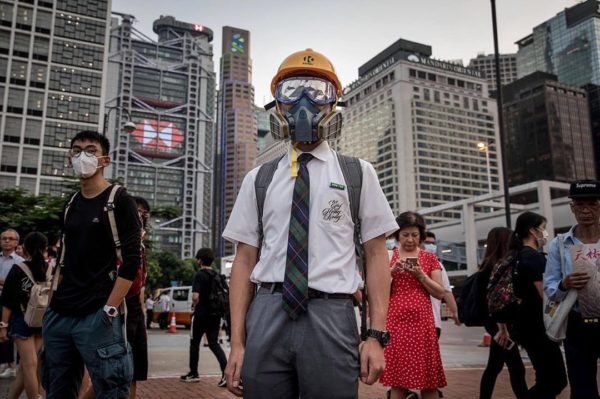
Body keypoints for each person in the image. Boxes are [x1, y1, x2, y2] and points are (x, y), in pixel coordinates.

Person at [223, 48, 398, 399]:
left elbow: (378, 257)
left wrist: (376, 336)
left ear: (333, 104)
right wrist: (238, 345)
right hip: (268, 309)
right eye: (292, 91)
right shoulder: (258, 179)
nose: (305, 102)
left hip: (331, 312)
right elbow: (243, 262)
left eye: (318, 92)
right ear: (277, 104)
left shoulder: (358, 174)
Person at [42, 130, 142, 399]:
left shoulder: (120, 200)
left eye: (90, 150)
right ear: (69, 158)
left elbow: (132, 262)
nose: (81, 156)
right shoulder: (71, 203)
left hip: (97, 313)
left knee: (111, 389)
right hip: (60, 313)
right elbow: (64, 258)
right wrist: (52, 303)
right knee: (56, 388)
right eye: (76, 150)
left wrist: (109, 310)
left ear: (104, 160)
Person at [381, 211, 446, 399]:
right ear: (397, 235)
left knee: (429, 381)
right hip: (396, 323)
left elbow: (440, 292)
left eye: (415, 235)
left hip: (423, 323)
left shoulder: (429, 258)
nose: (410, 239)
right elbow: (377, 289)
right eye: (405, 234)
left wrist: (420, 275)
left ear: (421, 236)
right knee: (398, 381)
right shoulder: (388, 257)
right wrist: (391, 272)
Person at [545, 180, 600, 399]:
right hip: (578, 323)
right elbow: (550, 289)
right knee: (582, 387)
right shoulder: (560, 244)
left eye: (593, 204)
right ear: (572, 208)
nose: (586, 210)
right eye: (579, 205)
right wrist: (564, 284)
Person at [511, 211, 567, 398]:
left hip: (525, 324)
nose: (545, 233)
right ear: (533, 231)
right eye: (543, 228)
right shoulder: (533, 257)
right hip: (537, 325)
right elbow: (546, 295)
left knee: (546, 378)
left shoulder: (517, 255)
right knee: (555, 379)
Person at [477, 227, 528, 399]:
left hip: (495, 324)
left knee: (495, 367)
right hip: (501, 326)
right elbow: (496, 300)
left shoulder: (485, 267)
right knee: (516, 368)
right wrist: (502, 328)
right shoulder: (500, 268)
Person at [0, 232, 48, 399]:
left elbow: (7, 301)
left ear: (24, 248)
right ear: (45, 249)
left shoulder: (18, 269)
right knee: (28, 366)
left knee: (28, 365)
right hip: (43, 321)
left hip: (22, 321)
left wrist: (3, 326)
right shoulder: (49, 270)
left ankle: (35, 397)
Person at [180, 248, 228, 387]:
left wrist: (195, 305)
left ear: (200, 260)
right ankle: (225, 374)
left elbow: (195, 296)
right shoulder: (217, 275)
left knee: (194, 343)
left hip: (201, 314)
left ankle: (193, 373)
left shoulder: (200, 275)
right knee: (214, 344)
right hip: (215, 315)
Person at [423, 231, 460, 333]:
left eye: (433, 243)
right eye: (427, 242)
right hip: (407, 322)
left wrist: (455, 312)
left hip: (432, 322)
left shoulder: (437, 265)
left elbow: (446, 291)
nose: (430, 246)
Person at [0, 228, 23, 378]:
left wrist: (4, 283)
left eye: (10, 238)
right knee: (2, 333)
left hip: (13, 302)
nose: (7, 241)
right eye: (4, 238)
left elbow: (17, 284)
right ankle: (8, 364)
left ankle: (18, 366)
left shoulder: (20, 262)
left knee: (13, 332)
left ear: (17, 242)